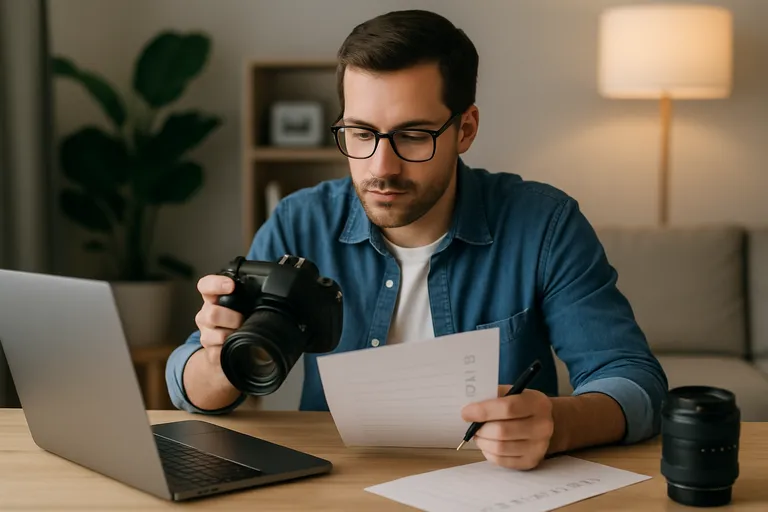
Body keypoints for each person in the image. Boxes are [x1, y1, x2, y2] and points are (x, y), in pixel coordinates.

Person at [166, 9, 668, 471]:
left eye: (412, 136)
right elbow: (190, 387)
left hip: (500, 487)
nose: (381, 167)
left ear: (465, 128)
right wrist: (215, 360)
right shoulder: (301, 222)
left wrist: (558, 425)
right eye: (361, 134)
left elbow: (634, 380)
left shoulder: (544, 223)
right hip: (342, 484)